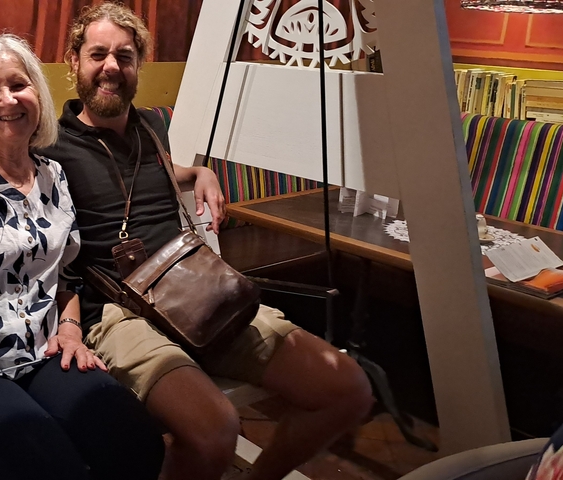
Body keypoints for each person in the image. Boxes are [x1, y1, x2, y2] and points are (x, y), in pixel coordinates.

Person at [34, 4, 375, 480]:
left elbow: (159, 174)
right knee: (216, 431)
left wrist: (199, 171)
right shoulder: (48, 143)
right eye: (98, 54)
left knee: (347, 389)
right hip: (117, 312)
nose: (111, 66)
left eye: (125, 56)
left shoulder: (151, 127)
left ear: (138, 66)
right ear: (74, 61)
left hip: (192, 288)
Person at [0, 33, 163, 480]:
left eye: (19, 85)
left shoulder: (53, 176)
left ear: (39, 96)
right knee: (52, 466)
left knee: (136, 441)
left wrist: (70, 328)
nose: (9, 100)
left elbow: (65, 274)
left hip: (38, 355)